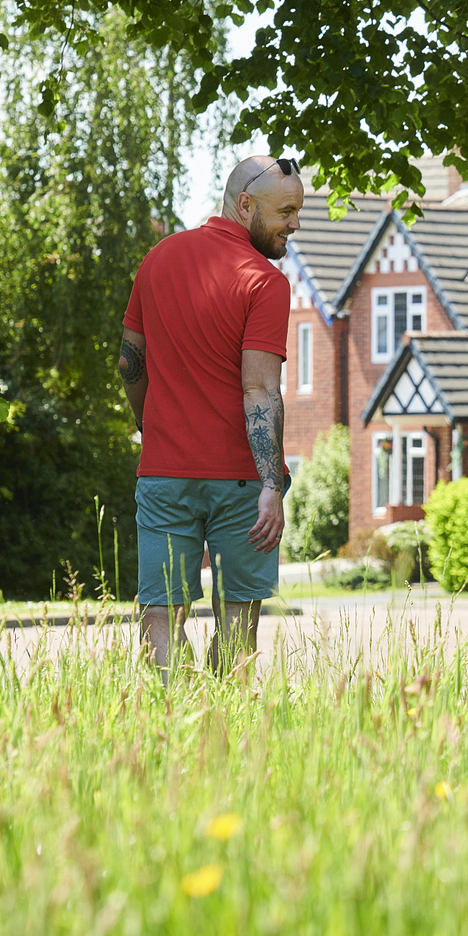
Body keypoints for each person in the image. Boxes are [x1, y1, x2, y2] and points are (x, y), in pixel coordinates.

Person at [118, 155, 304, 679]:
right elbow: (260, 387)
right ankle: (226, 732)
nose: (295, 224)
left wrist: (149, 427)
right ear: (245, 205)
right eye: (286, 212)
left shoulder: (158, 259)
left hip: (163, 473)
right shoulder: (263, 281)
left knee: (161, 614)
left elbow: (129, 362)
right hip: (240, 481)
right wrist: (272, 482)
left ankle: (170, 723)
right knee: (238, 618)